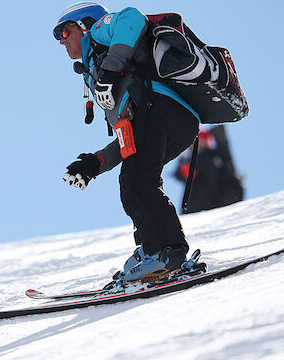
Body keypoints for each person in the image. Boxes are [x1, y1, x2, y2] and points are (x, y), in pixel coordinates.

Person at [55, 2, 202, 282]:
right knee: (139, 179)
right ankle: (167, 252)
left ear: (84, 24)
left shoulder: (100, 32)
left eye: (64, 31)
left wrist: (110, 69)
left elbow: (132, 17)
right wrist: (94, 164)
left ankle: (158, 253)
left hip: (157, 108)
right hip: (174, 120)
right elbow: (129, 137)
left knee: (136, 182)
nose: (61, 41)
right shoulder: (99, 70)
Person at [174, 126, 244, 214]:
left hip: (219, 203)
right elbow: (184, 174)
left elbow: (228, 167)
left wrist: (221, 140)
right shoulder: (189, 160)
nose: (193, 147)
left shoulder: (214, 157)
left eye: (198, 142)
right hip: (197, 207)